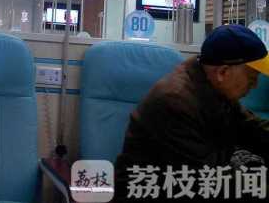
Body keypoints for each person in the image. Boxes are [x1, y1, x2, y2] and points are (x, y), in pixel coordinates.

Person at [114, 25, 269, 202]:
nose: (255, 85)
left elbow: (251, 128)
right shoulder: (176, 102)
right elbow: (206, 181)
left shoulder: (211, 83)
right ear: (223, 72)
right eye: (252, 78)